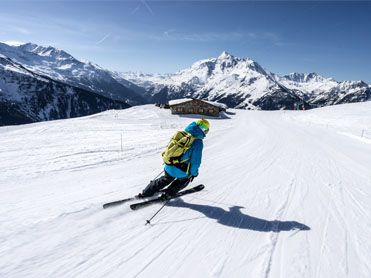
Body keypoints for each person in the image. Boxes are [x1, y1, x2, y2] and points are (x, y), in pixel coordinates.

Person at [138, 119, 210, 199]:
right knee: (183, 180)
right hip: (182, 170)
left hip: (169, 164)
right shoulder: (198, 142)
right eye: (206, 130)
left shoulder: (181, 134)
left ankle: (146, 192)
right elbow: (195, 162)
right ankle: (168, 194)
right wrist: (194, 174)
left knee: (165, 179)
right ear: (202, 130)